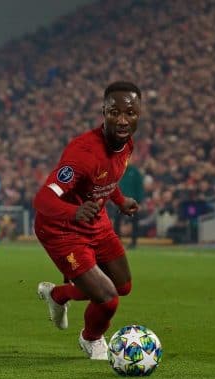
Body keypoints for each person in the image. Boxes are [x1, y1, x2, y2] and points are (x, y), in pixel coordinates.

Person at [33, 81, 141, 360]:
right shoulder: (82, 153)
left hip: (96, 222)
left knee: (123, 286)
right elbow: (43, 200)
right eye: (114, 112)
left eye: (129, 113)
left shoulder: (127, 143)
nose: (122, 120)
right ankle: (91, 339)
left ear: (138, 113)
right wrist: (73, 212)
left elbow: (106, 177)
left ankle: (58, 294)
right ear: (103, 112)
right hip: (62, 229)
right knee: (107, 298)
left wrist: (119, 200)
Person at [113, 163, 143, 248]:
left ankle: (133, 242)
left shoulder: (135, 171)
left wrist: (140, 202)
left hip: (133, 202)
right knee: (117, 222)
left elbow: (139, 187)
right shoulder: (118, 170)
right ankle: (117, 241)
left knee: (134, 222)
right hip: (120, 201)